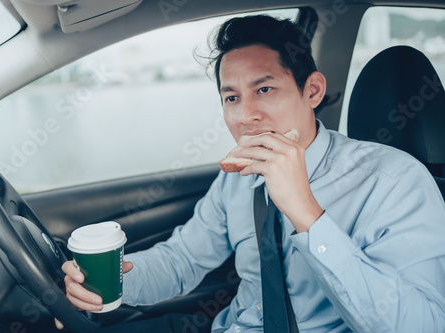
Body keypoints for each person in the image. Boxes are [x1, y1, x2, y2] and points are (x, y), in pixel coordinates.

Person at [56, 15, 445, 332]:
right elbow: (181, 261)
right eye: (231, 97)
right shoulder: (237, 178)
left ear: (312, 91)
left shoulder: (394, 182)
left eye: (264, 90)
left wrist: (307, 213)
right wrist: (107, 283)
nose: (245, 117)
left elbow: (419, 325)